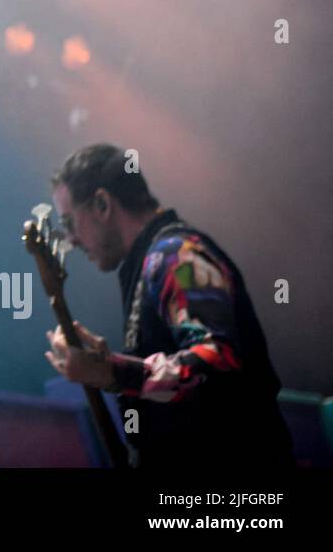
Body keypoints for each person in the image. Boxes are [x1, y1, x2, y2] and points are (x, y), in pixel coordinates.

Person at [42, 143, 291, 468]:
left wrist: (112, 371)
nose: (71, 240)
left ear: (103, 203)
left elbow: (218, 360)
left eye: (70, 222)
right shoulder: (150, 263)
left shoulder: (174, 255)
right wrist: (110, 367)